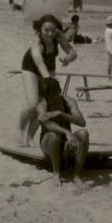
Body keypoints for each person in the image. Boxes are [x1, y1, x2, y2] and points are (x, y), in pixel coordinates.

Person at [16, 14, 76, 147]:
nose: (50, 34)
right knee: (33, 103)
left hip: (49, 67)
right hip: (31, 68)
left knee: (45, 105)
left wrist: (68, 59)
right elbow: (38, 61)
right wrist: (48, 78)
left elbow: (73, 53)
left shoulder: (58, 35)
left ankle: (30, 137)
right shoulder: (36, 42)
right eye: (46, 30)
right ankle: (20, 132)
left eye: (53, 30)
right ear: (39, 29)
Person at [36, 77, 89, 185]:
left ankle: (75, 175)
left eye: (52, 96)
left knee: (84, 133)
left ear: (59, 91)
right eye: (47, 97)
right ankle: (56, 173)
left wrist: (60, 113)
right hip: (49, 144)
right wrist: (67, 132)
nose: (50, 99)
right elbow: (48, 124)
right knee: (53, 135)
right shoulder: (41, 106)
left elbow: (82, 122)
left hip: (65, 144)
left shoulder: (69, 102)